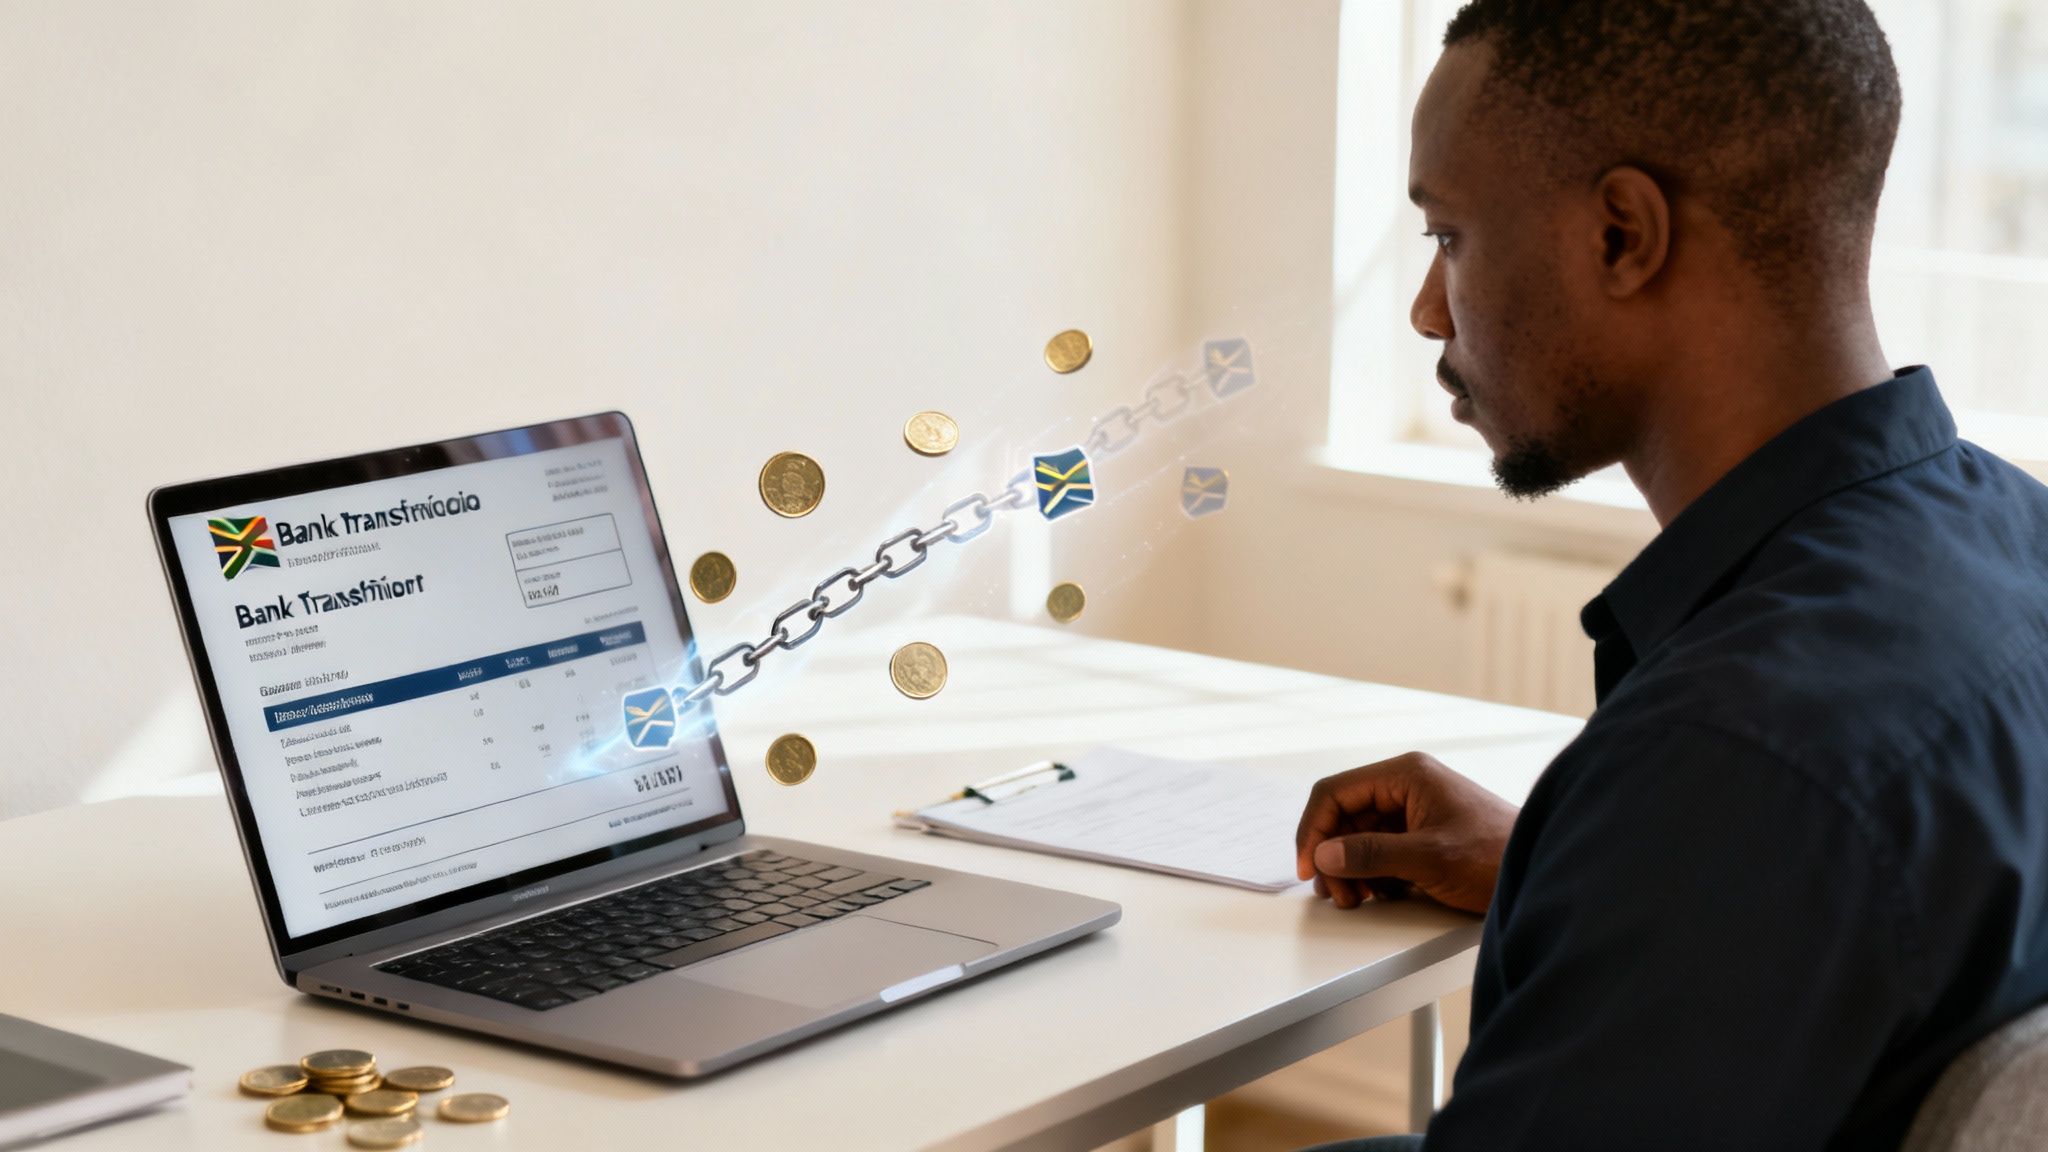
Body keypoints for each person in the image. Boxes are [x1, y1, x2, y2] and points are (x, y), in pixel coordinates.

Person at [1294, 1, 2048, 1149]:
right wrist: (1604, 876)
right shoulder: (2013, 535)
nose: (1425, 308)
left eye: (1447, 237)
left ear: (1620, 237)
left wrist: (1682, 841)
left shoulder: (1740, 759)